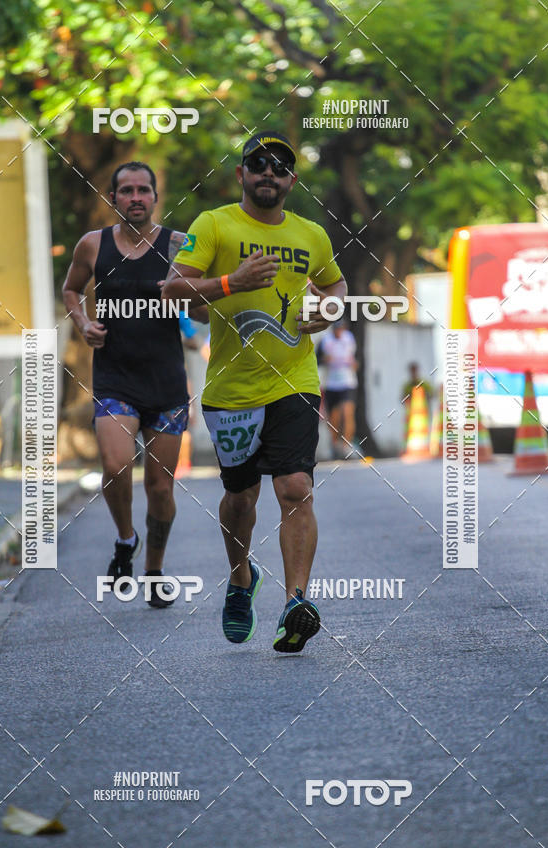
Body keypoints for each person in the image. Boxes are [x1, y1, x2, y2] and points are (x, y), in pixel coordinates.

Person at [162, 130, 347, 652]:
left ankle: (295, 603)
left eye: (280, 167)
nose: (269, 173)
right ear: (241, 174)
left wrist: (326, 311)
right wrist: (230, 283)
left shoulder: (311, 234)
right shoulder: (214, 223)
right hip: (231, 387)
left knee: (295, 487)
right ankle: (241, 578)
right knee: (241, 496)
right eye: (258, 164)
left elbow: (335, 285)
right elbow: (174, 287)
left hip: (295, 379)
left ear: (291, 180)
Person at [62, 161, 189, 608]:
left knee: (160, 487)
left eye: (143, 190)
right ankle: (124, 538)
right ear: (112, 198)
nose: (135, 197)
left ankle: (154, 570)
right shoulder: (92, 245)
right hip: (115, 376)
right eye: (126, 190)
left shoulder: (178, 245)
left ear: (155, 197)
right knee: (116, 466)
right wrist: (82, 324)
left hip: (167, 382)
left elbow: (205, 302)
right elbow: (71, 290)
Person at [319, 322, 358, 458]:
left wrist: (354, 364)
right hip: (331, 383)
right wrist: (325, 359)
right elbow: (318, 359)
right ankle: (335, 446)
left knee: (347, 412)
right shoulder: (326, 340)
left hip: (347, 382)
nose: (339, 333)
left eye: (341, 329)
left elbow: (356, 358)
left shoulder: (349, 338)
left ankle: (346, 445)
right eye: (337, 330)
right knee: (333, 417)